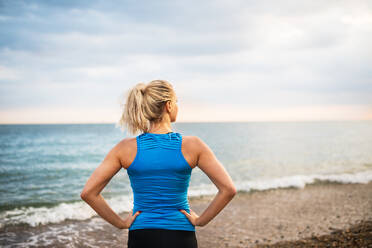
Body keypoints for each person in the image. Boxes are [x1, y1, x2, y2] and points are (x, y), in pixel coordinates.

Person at [80, 80, 237, 248]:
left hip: (141, 235)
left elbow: (89, 193)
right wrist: (201, 220)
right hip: (181, 235)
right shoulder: (193, 145)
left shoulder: (124, 148)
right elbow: (228, 189)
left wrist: (120, 223)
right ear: (168, 105)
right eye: (176, 102)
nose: (177, 106)